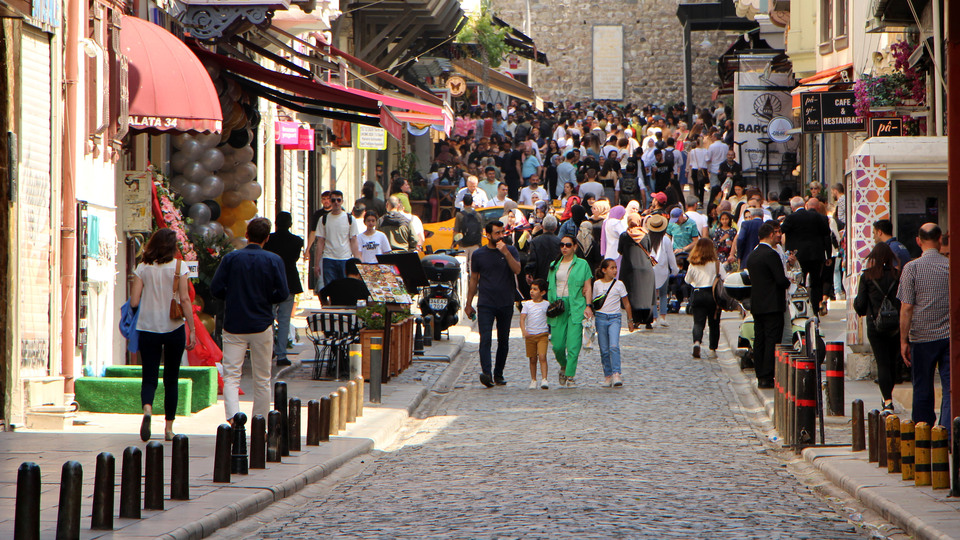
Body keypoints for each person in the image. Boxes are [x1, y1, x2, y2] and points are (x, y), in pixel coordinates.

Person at [211, 218, 289, 421]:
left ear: (246, 234)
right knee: (262, 378)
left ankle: (232, 419)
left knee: (231, 377)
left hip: (234, 323)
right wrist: (266, 298)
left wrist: (233, 295)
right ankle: (260, 423)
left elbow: (216, 289)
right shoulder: (274, 260)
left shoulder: (231, 259)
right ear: (267, 238)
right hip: (262, 323)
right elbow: (282, 293)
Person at [129, 228, 196, 441]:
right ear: (172, 246)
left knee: (149, 375)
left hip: (147, 327)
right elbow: (185, 300)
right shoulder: (179, 266)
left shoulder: (143, 267)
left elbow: (134, 302)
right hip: (173, 327)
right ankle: (168, 428)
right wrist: (192, 329)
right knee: (171, 378)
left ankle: (147, 409)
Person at [898, 223, 951, 437]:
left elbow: (907, 307)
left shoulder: (912, 268)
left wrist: (903, 340)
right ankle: (946, 431)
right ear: (940, 240)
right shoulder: (950, 267)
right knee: (949, 386)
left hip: (921, 337)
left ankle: (923, 432)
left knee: (922, 386)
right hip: (948, 336)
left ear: (918, 241)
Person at [464, 221, 521, 387]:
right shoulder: (479, 255)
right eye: (496, 233)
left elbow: (517, 270)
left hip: (505, 302)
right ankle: (487, 373)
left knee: (503, 340)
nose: (500, 236)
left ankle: (499, 373)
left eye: (502, 232)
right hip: (486, 303)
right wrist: (468, 304)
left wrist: (506, 253)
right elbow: (474, 279)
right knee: (485, 339)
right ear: (487, 235)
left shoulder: (510, 250)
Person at [853, 242, 902, 412]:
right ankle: (887, 396)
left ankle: (887, 400)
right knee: (892, 363)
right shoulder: (897, 274)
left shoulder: (867, 277)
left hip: (875, 325)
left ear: (873, 257)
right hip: (896, 325)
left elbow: (860, 305)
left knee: (882, 362)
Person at [746, 221, 789, 389]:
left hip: (758, 304)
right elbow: (780, 280)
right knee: (772, 340)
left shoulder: (753, 254)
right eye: (776, 233)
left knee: (760, 340)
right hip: (773, 304)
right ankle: (768, 374)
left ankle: (760, 374)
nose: (778, 235)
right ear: (770, 235)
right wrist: (788, 282)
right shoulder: (771, 254)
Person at [547, 234, 594, 388]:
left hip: (576, 305)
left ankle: (570, 375)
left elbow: (587, 287)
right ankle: (564, 365)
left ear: (575, 247)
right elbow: (550, 286)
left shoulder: (582, 264)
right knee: (558, 345)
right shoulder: (554, 264)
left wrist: (588, 305)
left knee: (573, 344)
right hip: (558, 306)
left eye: (568, 245)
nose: (564, 248)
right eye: (562, 245)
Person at [263, 212, 304, 367]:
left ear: (276, 223)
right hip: (289, 282)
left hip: (271, 282)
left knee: (269, 318)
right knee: (285, 319)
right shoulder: (297, 241)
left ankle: (268, 351)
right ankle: (281, 355)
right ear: (290, 224)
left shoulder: (269, 240)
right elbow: (294, 259)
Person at [780, 197, 831, 317]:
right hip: (815, 255)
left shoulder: (791, 218)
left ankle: (800, 308)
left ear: (792, 207)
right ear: (805, 205)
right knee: (816, 282)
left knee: (799, 282)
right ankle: (815, 308)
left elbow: (781, 231)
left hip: (798, 256)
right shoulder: (818, 217)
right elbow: (826, 233)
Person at [592, 258, 633, 387]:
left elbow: (626, 303)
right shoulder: (597, 284)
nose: (615, 270)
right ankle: (608, 375)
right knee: (604, 349)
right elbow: (594, 302)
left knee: (614, 346)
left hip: (615, 318)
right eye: (612, 268)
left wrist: (630, 320)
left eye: (615, 268)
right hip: (601, 318)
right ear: (604, 270)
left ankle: (616, 373)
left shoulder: (619, 284)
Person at [685, 238, 725, 359]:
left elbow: (687, 280)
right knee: (714, 323)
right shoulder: (716, 263)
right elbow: (724, 277)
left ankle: (697, 342)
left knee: (698, 322)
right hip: (713, 295)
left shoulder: (693, 263)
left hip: (698, 293)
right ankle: (712, 349)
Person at [315, 190, 361, 286]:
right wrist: (317, 264)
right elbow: (320, 242)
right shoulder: (323, 219)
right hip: (328, 258)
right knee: (330, 288)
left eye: (338, 200)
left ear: (342, 201)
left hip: (345, 258)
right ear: (330, 201)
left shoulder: (350, 219)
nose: (336, 202)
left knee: (346, 287)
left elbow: (354, 241)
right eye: (333, 200)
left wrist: (358, 262)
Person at [618, 213, 656, 328]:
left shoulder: (624, 235)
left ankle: (636, 320)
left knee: (633, 294)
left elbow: (620, 250)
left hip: (630, 269)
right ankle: (648, 321)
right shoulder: (645, 234)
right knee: (647, 294)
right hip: (645, 267)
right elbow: (649, 249)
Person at [520, 278, 551, 390]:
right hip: (530, 335)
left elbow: (550, 319)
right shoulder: (527, 304)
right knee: (532, 358)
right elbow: (523, 318)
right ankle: (533, 379)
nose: (532, 291)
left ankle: (544, 379)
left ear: (542, 292)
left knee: (542, 356)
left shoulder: (546, 304)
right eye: (531, 289)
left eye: (535, 289)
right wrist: (524, 331)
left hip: (542, 334)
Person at [525, 215, 562, 282]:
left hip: (539, 278)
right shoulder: (560, 242)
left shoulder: (535, 241)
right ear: (555, 228)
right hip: (555, 277)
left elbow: (532, 259)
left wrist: (529, 272)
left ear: (542, 226)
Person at [453, 193, 484, 273]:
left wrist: (454, 243)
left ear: (463, 202)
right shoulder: (478, 215)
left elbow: (456, 230)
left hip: (463, 244)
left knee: (462, 267)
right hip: (475, 244)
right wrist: (479, 243)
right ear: (472, 202)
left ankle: (464, 284)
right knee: (473, 267)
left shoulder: (459, 215)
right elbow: (481, 231)